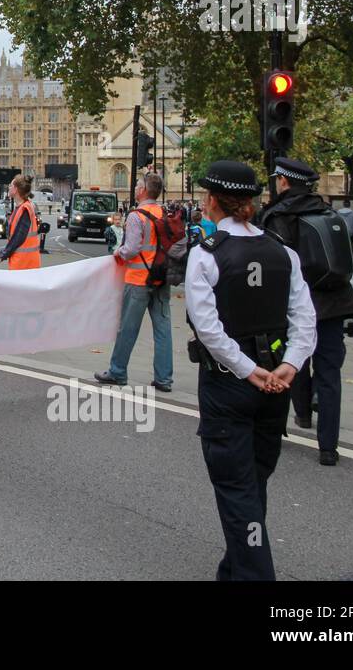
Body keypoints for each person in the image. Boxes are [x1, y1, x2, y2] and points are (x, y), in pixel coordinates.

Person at [186, 160, 316, 580]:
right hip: (274, 387)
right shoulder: (284, 252)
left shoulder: (205, 257)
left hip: (229, 387)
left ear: (211, 202)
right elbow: (304, 319)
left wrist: (246, 369)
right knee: (252, 483)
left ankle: (255, 575)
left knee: (237, 488)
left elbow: (209, 329)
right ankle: (234, 568)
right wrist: (289, 365)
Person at [256, 158, 353, 465]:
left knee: (292, 361)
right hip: (334, 303)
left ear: (285, 182)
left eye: (278, 180)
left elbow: (271, 264)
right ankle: (328, 447)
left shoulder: (278, 216)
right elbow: (348, 259)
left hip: (294, 305)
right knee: (329, 374)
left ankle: (294, 418)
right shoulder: (330, 213)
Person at [96, 172, 173, 392]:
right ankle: (164, 379)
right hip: (161, 278)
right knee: (163, 329)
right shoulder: (164, 212)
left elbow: (131, 250)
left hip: (139, 279)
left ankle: (118, 371)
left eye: (139, 184)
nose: (136, 187)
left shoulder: (136, 216)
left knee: (127, 329)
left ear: (144, 190)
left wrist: (117, 252)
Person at [0, 174, 40, 269]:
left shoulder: (25, 209)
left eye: (10, 185)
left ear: (16, 189)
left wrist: (5, 253)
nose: (9, 187)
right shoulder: (22, 207)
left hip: (24, 263)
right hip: (24, 261)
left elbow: (18, 236)